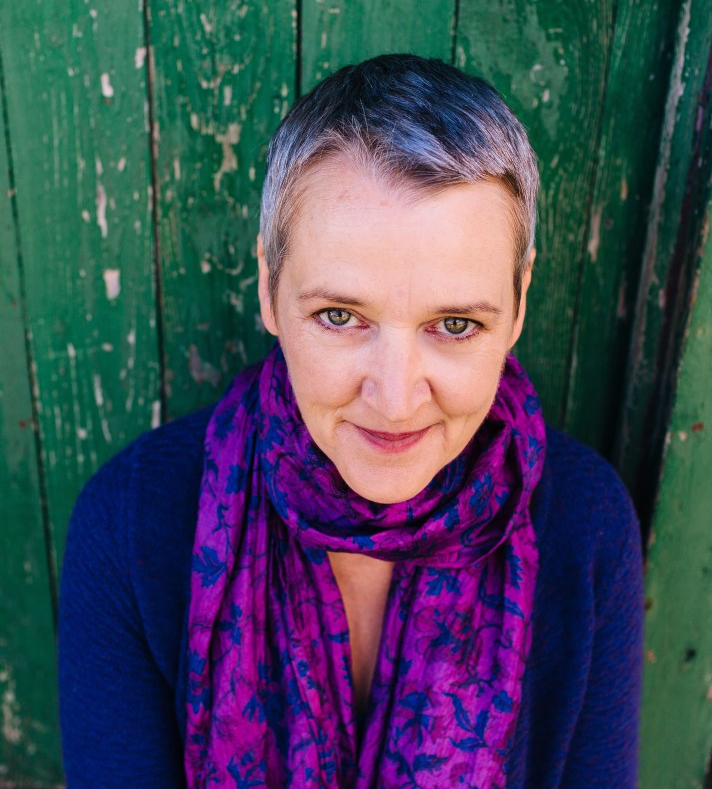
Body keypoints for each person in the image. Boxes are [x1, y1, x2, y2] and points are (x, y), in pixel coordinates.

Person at [58, 54, 644, 788]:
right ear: (269, 287)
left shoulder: (587, 529)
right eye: (340, 316)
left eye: (454, 324)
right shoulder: (130, 525)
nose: (395, 399)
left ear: (520, 303)